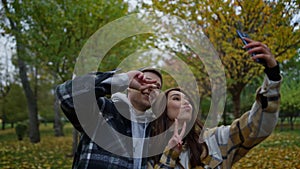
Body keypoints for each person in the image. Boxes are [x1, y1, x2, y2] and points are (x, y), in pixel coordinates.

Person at [148, 38, 282, 169]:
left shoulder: (214, 139)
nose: (186, 102)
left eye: (187, 99)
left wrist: (273, 75)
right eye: (176, 98)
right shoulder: (150, 152)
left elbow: (255, 127)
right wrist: (170, 156)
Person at [56, 68, 163, 169]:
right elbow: (67, 95)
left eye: (157, 87)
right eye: (146, 81)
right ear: (129, 88)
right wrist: (123, 79)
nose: (152, 87)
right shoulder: (103, 110)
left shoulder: (154, 129)